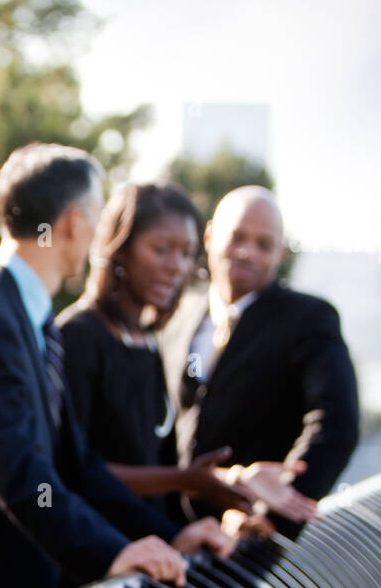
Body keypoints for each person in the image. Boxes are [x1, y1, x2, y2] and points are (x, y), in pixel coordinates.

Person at [0, 144, 236, 588]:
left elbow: (75, 463)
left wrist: (166, 536)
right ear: (75, 222)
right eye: (99, 217)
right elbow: (17, 473)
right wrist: (113, 553)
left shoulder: (28, 315)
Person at [57, 182, 318, 536]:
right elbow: (74, 470)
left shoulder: (146, 340)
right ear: (121, 247)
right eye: (161, 249)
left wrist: (231, 487)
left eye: (185, 253)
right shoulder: (78, 336)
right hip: (93, 560)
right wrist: (185, 489)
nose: (175, 266)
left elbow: (159, 468)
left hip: (150, 558)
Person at [160, 186, 360, 539]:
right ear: (209, 236)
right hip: (170, 538)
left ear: (279, 254)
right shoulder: (176, 314)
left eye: (263, 244)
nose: (247, 252)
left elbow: (335, 422)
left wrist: (271, 515)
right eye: (237, 237)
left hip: (247, 542)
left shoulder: (310, 319)